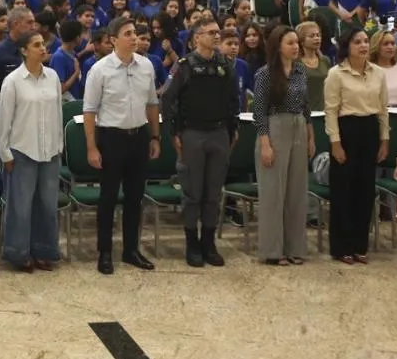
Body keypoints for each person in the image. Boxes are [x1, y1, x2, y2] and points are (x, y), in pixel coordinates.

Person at [82, 17, 160, 274]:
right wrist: (92, 147)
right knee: (108, 197)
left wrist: (155, 137)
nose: (134, 37)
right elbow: (90, 111)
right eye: (128, 33)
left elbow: (152, 104)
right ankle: (105, 252)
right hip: (111, 137)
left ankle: (131, 250)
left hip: (138, 136)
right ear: (114, 40)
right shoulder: (100, 70)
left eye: (135, 33)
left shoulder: (146, 66)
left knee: (135, 197)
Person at [161, 16, 240, 268]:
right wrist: (174, 132)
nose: (217, 36)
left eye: (218, 32)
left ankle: (209, 242)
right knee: (193, 192)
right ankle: (192, 243)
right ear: (197, 38)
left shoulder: (225, 64)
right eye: (211, 33)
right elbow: (167, 99)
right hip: (192, 133)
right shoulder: (184, 66)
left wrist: (233, 128)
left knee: (213, 192)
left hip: (218, 133)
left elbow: (233, 99)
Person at [0, 31, 63, 273]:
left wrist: (59, 145)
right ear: (24, 50)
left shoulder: (52, 76)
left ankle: (44, 250)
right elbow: (3, 120)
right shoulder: (13, 81)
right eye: (36, 45)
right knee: (20, 206)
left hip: (50, 151)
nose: (42, 48)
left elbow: (58, 111)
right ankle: (18, 252)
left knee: (47, 204)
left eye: (43, 44)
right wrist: (5, 153)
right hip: (22, 150)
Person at [323, 28, 390, 265]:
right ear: (347, 46)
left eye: (365, 41)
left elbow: (383, 109)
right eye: (357, 42)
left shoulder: (378, 73)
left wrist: (384, 139)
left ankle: (360, 244)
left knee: (365, 190)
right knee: (344, 191)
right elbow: (330, 111)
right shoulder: (336, 74)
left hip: (370, 129)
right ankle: (341, 247)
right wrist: (336, 143)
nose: (362, 45)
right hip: (346, 130)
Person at [252, 26, 314, 266]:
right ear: (278, 46)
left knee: (296, 191)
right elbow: (259, 111)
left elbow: (306, 105)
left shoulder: (300, 71)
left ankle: (294, 248)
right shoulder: (265, 74)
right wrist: (265, 143)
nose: (296, 47)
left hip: (298, 125)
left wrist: (310, 135)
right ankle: (272, 250)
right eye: (290, 43)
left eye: (297, 42)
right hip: (275, 128)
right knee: (273, 192)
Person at [369, 30, 397, 107]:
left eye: (393, 43)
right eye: (385, 44)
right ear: (376, 46)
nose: (390, 47)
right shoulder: (368, 70)